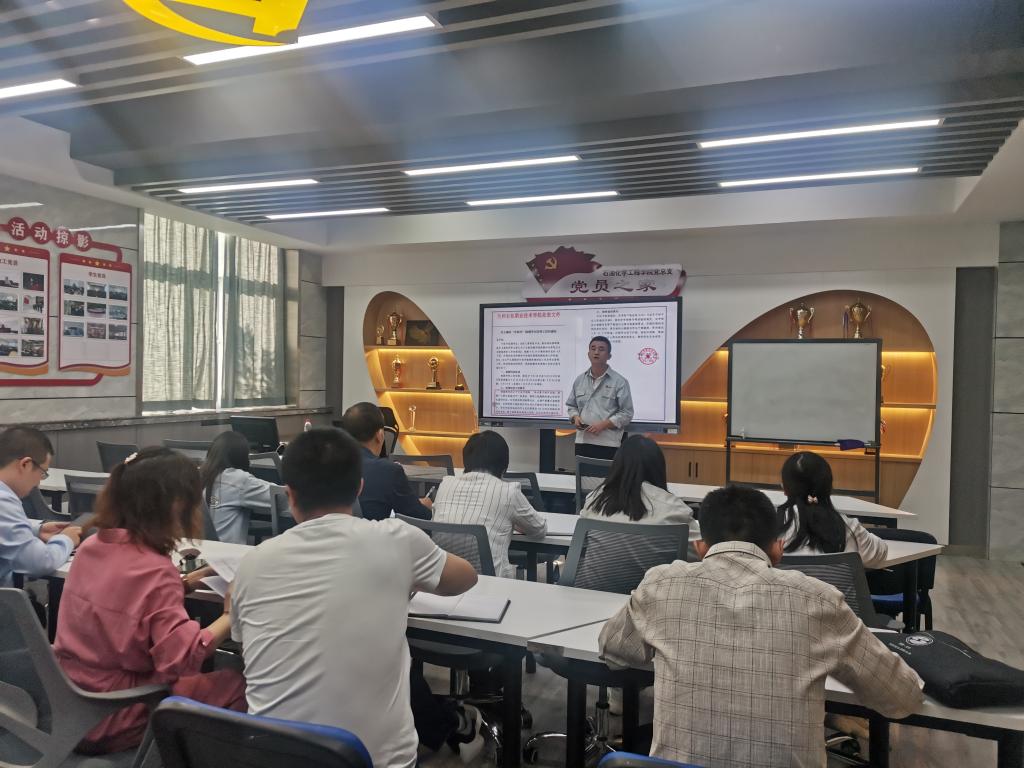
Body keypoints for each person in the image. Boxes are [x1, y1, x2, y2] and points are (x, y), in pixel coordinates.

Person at [599, 484, 923, 768]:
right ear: (777, 549)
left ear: (700, 548)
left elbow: (612, 649)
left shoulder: (661, 585)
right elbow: (901, 697)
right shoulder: (819, 600)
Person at [230, 428, 480, 768]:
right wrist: (406, 580)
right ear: (359, 487)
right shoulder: (397, 540)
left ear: (289, 495)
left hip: (273, 759)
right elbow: (466, 577)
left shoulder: (251, 564)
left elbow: (246, 649)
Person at [53, 448, 245, 755]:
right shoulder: (155, 570)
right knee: (237, 684)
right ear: (176, 505)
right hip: (121, 711)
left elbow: (124, 601)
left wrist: (185, 583)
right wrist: (230, 613)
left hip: (69, 702)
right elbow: (183, 658)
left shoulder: (91, 547)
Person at [431, 431, 547, 578]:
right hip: (490, 583)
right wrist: (516, 523)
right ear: (504, 466)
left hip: (445, 580)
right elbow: (539, 530)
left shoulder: (446, 484)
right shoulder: (508, 491)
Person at [777, 451, 888, 568]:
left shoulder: (772, 527)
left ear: (785, 490)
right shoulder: (848, 527)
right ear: (828, 488)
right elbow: (880, 553)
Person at [0, 426, 81, 587]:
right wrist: (66, 539)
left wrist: (37, 530)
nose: (38, 482)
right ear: (26, 464)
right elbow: (39, 562)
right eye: (42, 473)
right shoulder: (4, 501)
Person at [581, 434, 699, 541]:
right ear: (658, 468)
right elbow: (700, 550)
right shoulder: (674, 509)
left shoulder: (593, 501)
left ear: (617, 465)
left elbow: (583, 542)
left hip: (604, 559)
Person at [339, 402, 431, 521]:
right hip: (370, 532)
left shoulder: (326, 465)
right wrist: (426, 506)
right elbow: (419, 517)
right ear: (380, 435)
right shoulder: (389, 470)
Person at [199, 430, 282, 544]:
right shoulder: (238, 480)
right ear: (240, 457)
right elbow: (279, 495)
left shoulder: (202, 475)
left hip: (203, 550)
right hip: (229, 552)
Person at [566, 335, 634, 460]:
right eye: (593, 348)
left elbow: (626, 413)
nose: (596, 352)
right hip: (582, 441)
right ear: (588, 354)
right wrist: (575, 417)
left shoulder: (619, 382)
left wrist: (603, 425)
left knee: (607, 473)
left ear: (609, 356)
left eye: (601, 349)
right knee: (583, 473)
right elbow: (571, 406)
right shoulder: (579, 380)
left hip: (608, 443)